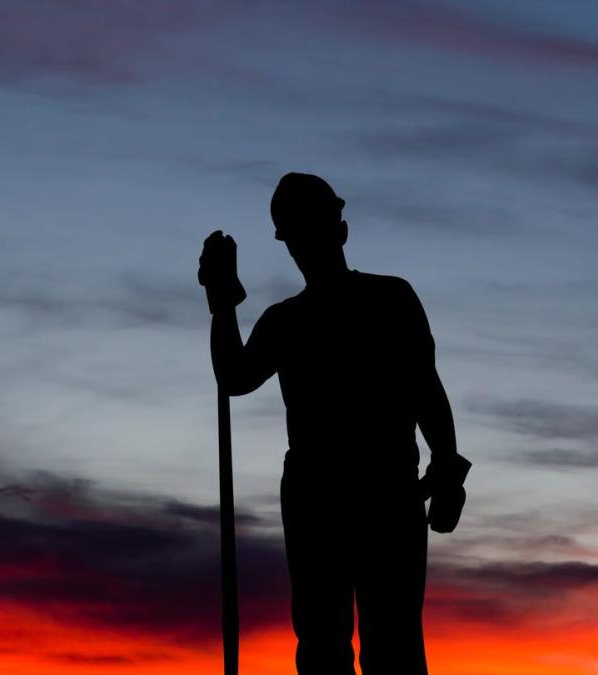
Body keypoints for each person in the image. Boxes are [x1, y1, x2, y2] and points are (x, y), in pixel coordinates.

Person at [197, 172, 471, 675]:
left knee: (382, 644)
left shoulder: (380, 301)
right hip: (337, 496)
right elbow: (235, 379)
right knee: (342, 644)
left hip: (372, 493)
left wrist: (449, 467)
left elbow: (424, 387)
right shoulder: (302, 317)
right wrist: (222, 303)